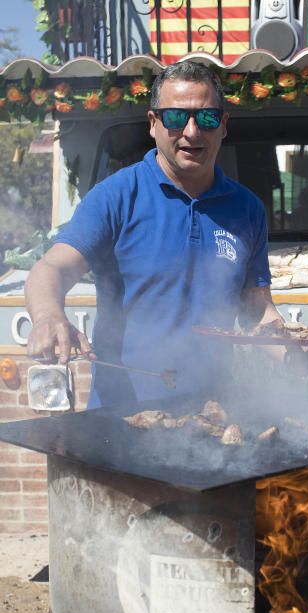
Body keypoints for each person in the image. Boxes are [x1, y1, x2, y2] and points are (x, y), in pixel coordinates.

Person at [25, 61, 285, 407]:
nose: (192, 132)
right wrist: (48, 316)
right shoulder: (116, 196)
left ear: (222, 126)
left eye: (206, 118)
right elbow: (50, 270)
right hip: (121, 419)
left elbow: (257, 311)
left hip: (214, 416)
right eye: (176, 118)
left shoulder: (247, 209)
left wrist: (295, 353)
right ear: (154, 124)